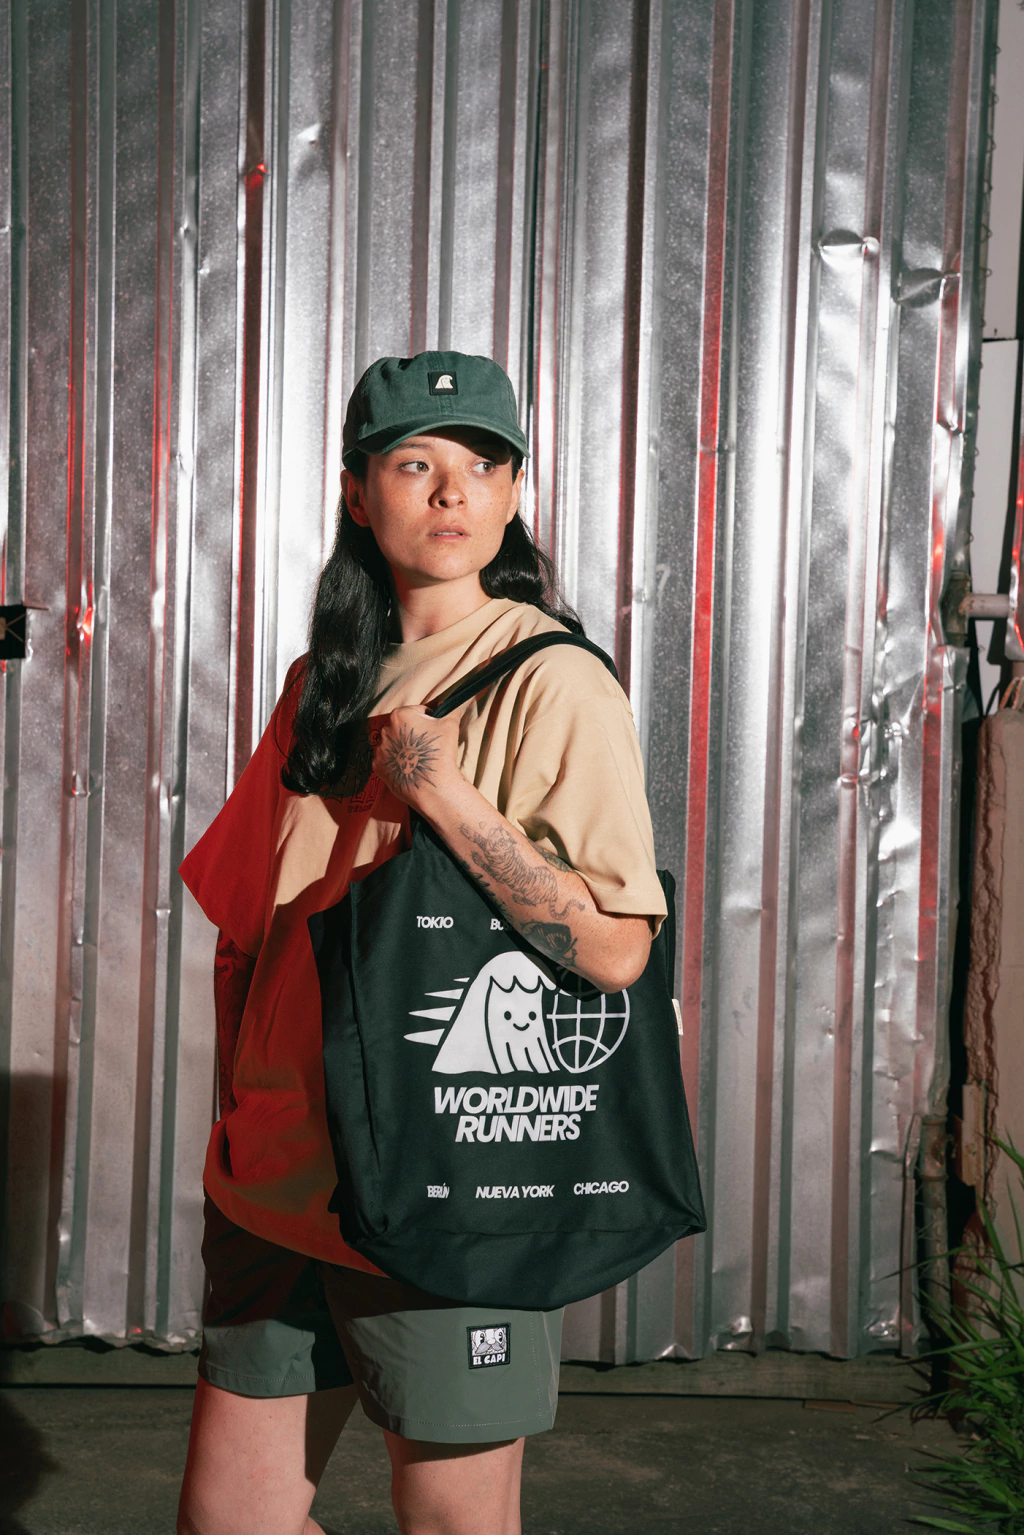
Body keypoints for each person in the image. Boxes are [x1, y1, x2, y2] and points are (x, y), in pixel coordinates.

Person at [176, 351, 667, 1535]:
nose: (453, 491)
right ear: (358, 493)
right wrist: (236, 1124)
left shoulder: (552, 681)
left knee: (452, 1522)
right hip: (279, 1182)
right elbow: (251, 931)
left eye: (483, 464)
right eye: (415, 463)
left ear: (513, 493)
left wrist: (444, 795)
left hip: (441, 1177)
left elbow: (613, 951)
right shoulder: (320, 684)